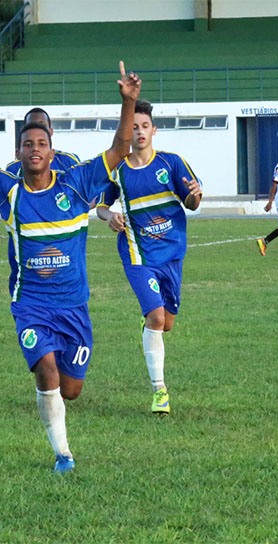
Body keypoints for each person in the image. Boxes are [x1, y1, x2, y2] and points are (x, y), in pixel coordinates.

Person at [0, 61, 141, 473]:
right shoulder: (8, 191)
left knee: (71, 390)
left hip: (74, 307)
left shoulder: (78, 183)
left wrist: (127, 104)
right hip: (30, 305)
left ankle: (62, 420)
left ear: (51, 150)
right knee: (47, 369)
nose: (35, 148)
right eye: (27, 144)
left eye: (41, 142)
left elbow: (120, 149)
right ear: (19, 153)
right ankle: (63, 455)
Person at [95, 100, 202, 415]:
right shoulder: (118, 170)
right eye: (134, 127)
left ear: (154, 130)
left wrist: (195, 195)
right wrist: (107, 216)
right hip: (137, 253)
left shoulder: (171, 163)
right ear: (126, 131)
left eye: (144, 126)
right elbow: (101, 206)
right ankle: (160, 392)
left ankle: (151, 318)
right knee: (156, 318)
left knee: (165, 324)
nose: (139, 132)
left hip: (172, 255)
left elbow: (193, 203)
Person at [5, 108, 80, 176]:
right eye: (31, 125)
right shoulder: (12, 169)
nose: (37, 130)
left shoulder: (69, 161)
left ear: (50, 132)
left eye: (42, 125)